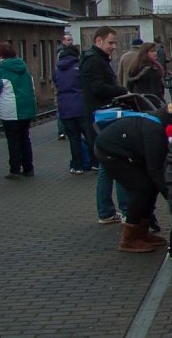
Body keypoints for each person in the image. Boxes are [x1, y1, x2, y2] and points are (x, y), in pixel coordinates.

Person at [95, 106, 172, 253]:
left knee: (149, 187)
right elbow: (155, 170)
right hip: (111, 152)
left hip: (120, 148)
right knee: (141, 188)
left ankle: (141, 233)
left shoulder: (157, 125)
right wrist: (171, 196)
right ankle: (128, 238)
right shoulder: (155, 133)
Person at [80, 26, 129, 224]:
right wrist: (120, 91)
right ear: (98, 41)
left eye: (115, 43)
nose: (113, 47)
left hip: (101, 116)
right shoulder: (93, 61)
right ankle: (124, 210)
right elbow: (96, 88)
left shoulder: (95, 60)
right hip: (101, 118)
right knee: (114, 162)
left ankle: (107, 211)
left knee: (106, 165)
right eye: (110, 42)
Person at [0, 42, 37, 179]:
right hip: (26, 110)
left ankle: (15, 169)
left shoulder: (0, 70)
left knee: (13, 140)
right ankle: (28, 168)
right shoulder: (24, 69)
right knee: (25, 138)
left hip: (10, 110)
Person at [53, 43, 90, 174]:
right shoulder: (79, 67)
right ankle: (96, 163)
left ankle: (77, 166)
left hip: (65, 108)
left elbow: (57, 86)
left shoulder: (57, 70)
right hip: (81, 107)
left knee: (74, 139)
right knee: (89, 136)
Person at [55, 32, 74, 140]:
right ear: (63, 41)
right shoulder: (62, 53)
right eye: (68, 40)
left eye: (71, 40)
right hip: (63, 82)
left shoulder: (69, 51)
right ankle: (62, 131)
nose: (70, 42)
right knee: (60, 107)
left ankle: (63, 130)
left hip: (63, 82)